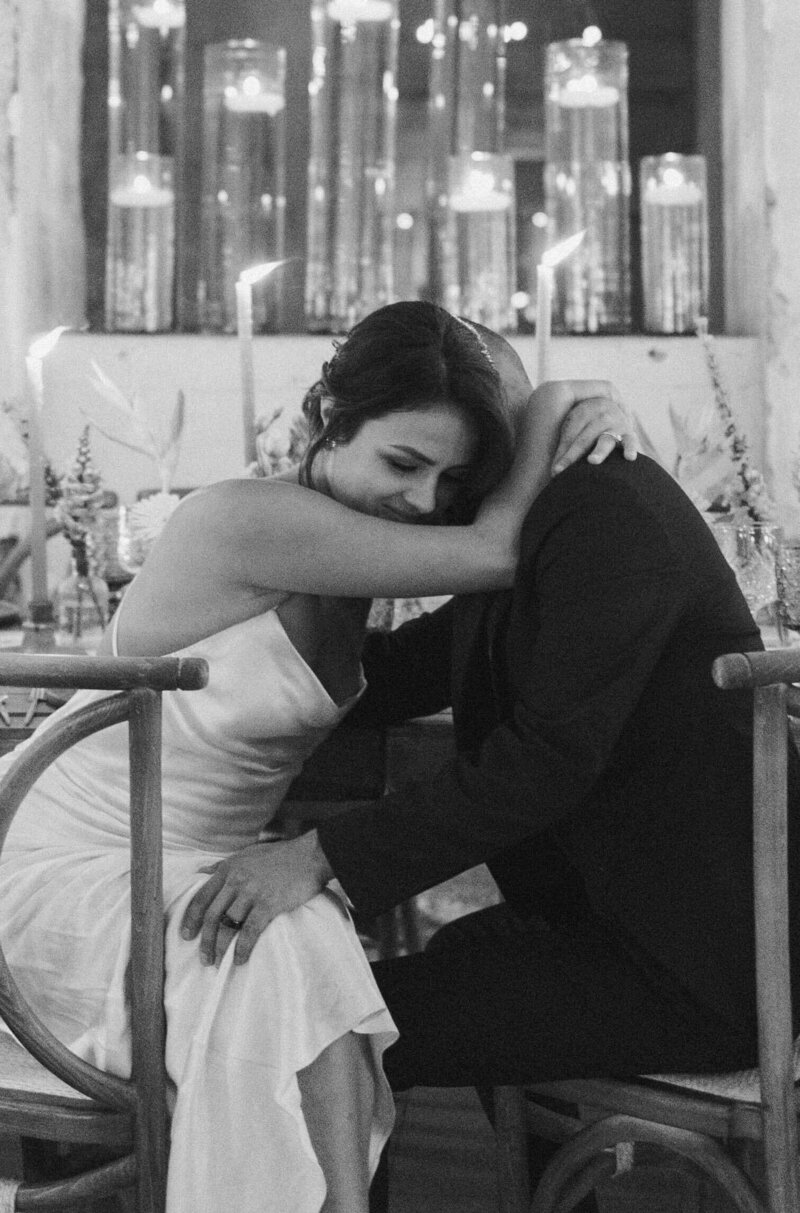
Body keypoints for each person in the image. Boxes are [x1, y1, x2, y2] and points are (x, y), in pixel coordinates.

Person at [0, 302, 633, 1213]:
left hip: (179, 867)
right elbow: (497, 550)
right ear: (321, 424)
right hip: (67, 869)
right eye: (402, 463)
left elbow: (444, 633)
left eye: (450, 477)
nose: (422, 500)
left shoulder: (347, 570)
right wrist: (562, 402)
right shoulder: (249, 520)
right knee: (291, 929)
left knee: (295, 927)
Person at [182, 315, 800, 1209]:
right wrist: (239, 660)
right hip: (609, 923)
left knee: (329, 1024)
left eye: (470, 460)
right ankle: (556, 1191)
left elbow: (544, 761)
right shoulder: (545, 515)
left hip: (701, 964)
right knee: (384, 975)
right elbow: (412, 667)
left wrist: (314, 859)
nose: (444, 495)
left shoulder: (604, 510)